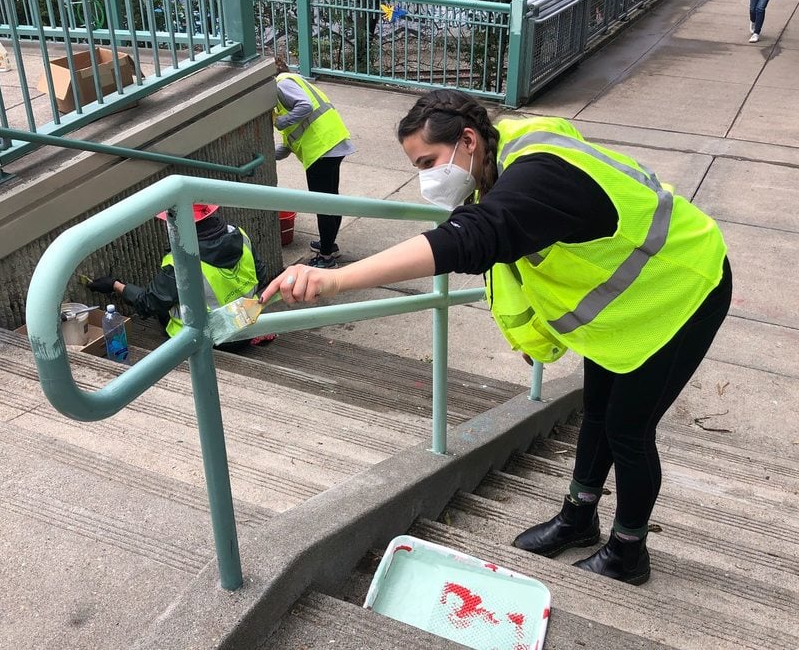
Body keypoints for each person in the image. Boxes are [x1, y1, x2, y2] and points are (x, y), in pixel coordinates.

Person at [260, 89, 732, 585]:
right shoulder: (494, 164)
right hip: (631, 306)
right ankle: (579, 517)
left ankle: (628, 551)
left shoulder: (539, 174)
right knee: (597, 412)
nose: (426, 179)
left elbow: (474, 239)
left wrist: (334, 279)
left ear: (467, 140)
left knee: (628, 431)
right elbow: (502, 247)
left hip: (684, 287)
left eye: (429, 161)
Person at [86, 203, 274, 350]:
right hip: (248, 324)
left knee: (164, 304)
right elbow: (261, 274)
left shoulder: (182, 262)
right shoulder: (239, 234)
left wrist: (114, 285)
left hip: (213, 337)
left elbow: (148, 303)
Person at [272, 56, 355, 269]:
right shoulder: (293, 81)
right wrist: (270, 154)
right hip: (331, 143)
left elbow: (305, 106)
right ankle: (329, 244)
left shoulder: (281, 83)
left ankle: (326, 257)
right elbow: (291, 141)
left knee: (323, 204)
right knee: (331, 199)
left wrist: (280, 122)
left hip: (322, 148)